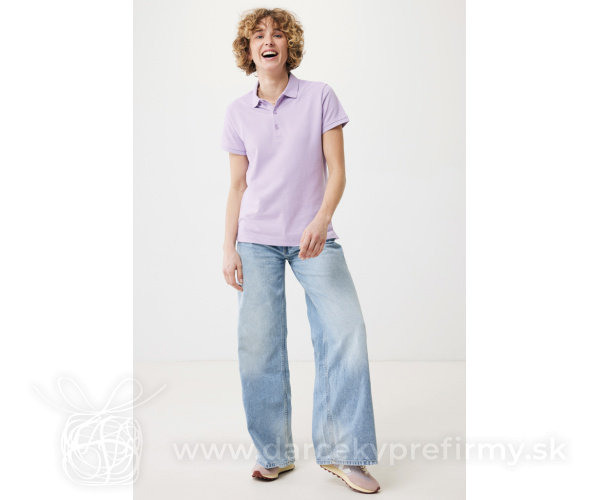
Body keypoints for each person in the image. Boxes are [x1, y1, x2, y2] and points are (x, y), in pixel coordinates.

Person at [220, 8, 381, 494]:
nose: (268, 41)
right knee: (259, 344)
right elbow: (237, 185)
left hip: (315, 237)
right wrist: (228, 248)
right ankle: (273, 453)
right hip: (255, 240)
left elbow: (338, 171)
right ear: (248, 50)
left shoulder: (320, 96)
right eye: (258, 36)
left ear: (289, 45)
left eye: (277, 34)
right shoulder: (237, 112)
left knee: (346, 330)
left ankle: (345, 453)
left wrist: (320, 220)